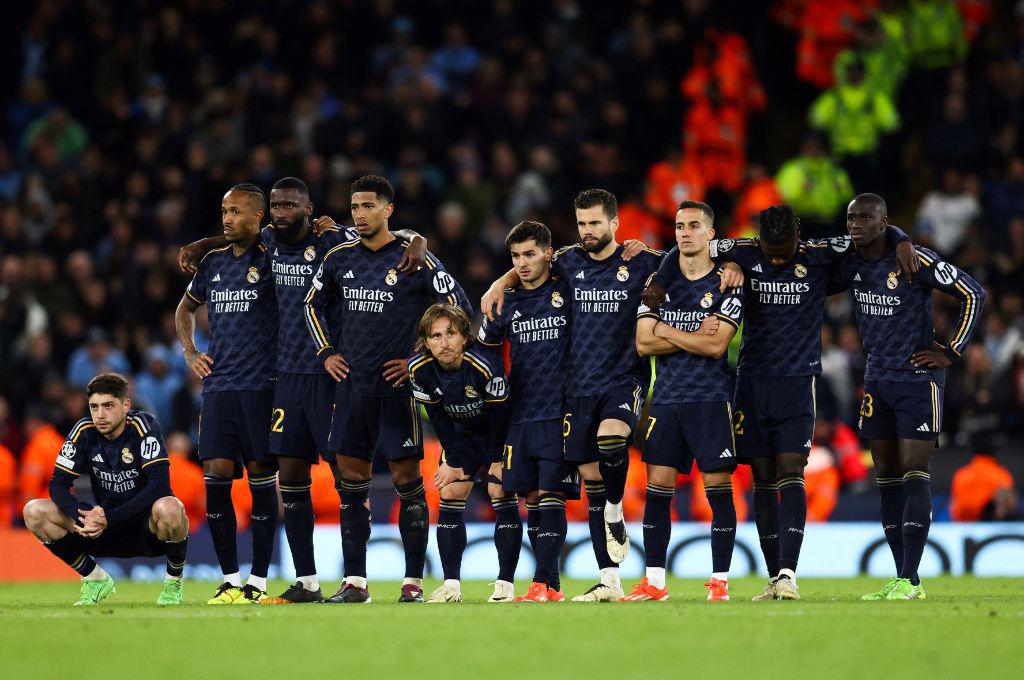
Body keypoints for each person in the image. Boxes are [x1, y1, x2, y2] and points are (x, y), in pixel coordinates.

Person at [179, 177, 427, 604]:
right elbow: (238, 230)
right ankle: (308, 582)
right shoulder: (268, 244)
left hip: (333, 374)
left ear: (309, 209)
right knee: (290, 478)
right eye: (275, 206)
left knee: (348, 479)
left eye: (290, 205)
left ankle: (356, 579)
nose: (281, 212)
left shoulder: (332, 239)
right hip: (285, 377)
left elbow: (381, 234)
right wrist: (202, 244)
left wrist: (417, 238)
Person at [481, 189, 685, 602]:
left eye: (596, 223)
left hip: (622, 378)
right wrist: (498, 283)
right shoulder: (568, 262)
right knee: (591, 478)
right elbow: (528, 260)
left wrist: (732, 265)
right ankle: (609, 581)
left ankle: (615, 506)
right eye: (582, 223)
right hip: (575, 390)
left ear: (615, 224)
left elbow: (689, 257)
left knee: (612, 439)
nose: (589, 231)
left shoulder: (641, 260)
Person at [709, 204, 916, 600]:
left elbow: (870, 233)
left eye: (783, 249)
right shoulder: (745, 250)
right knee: (763, 479)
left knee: (791, 471)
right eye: (769, 249)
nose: (775, 257)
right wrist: (730, 262)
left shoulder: (820, 253)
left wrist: (903, 239)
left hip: (797, 382)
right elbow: (693, 246)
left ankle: (789, 573)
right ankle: (775, 578)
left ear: (798, 236)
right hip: (751, 382)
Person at [305, 174, 470, 603]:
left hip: (400, 390)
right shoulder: (339, 258)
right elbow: (311, 305)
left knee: (407, 481)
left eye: (368, 206)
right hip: (353, 388)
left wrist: (418, 359)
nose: (359, 215)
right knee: (351, 483)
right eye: (354, 207)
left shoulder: (415, 258)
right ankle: (355, 583)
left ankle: (412, 582)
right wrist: (326, 353)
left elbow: (459, 309)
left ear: (388, 210)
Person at [838, 193, 985, 600]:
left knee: (914, 472)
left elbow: (973, 293)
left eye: (865, 218)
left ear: (883, 222)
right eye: (851, 218)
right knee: (886, 478)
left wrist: (951, 350)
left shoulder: (913, 259)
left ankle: (912, 579)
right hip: (877, 381)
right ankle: (902, 578)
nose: (856, 225)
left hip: (918, 381)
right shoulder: (848, 258)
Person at [623, 201, 744, 603]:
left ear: (711, 234)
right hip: (667, 401)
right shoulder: (659, 285)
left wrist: (666, 330)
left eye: (694, 225)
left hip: (710, 400)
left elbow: (716, 347)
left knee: (718, 488)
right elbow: (643, 343)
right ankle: (654, 583)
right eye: (679, 226)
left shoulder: (728, 282)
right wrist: (689, 332)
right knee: (658, 489)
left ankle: (720, 583)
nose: (685, 232)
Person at [174, 183, 279, 604]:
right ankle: (231, 579)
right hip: (219, 387)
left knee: (260, 482)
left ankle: (259, 582)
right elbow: (184, 309)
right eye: (223, 211)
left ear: (258, 217)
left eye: (236, 211)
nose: (226, 218)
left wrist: (204, 240)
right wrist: (190, 351)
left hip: (261, 386)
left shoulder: (272, 257)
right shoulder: (213, 264)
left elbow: (282, 235)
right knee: (215, 480)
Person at [22, 373, 188, 606]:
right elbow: (58, 483)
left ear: (125, 405)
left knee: (171, 507)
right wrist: (81, 514)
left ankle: (173, 582)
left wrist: (109, 518)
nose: (100, 414)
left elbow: (159, 485)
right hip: (101, 527)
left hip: (144, 527)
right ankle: (94, 578)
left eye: (108, 405)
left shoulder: (143, 426)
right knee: (34, 511)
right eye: (94, 407)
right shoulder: (83, 430)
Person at [477, 220, 575, 603]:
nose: (522, 263)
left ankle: (541, 581)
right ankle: (550, 586)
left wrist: (499, 280)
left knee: (552, 494)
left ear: (548, 253)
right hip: (520, 412)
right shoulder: (505, 303)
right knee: (531, 496)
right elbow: (484, 352)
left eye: (530, 253)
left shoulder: (567, 289)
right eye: (516, 256)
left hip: (560, 411)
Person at [408, 304, 514, 603]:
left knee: (501, 491)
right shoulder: (419, 370)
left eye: (451, 334)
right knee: (451, 492)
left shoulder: (484, 365)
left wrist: (496, 460)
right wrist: (455, 463)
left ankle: (505, 585)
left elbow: (500, 417)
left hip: (499, 433)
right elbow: (439, 419)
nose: (444, 342)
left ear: (465, 337)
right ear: (425, 343)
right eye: (436, 335)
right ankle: (451, 586)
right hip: (461, 435)